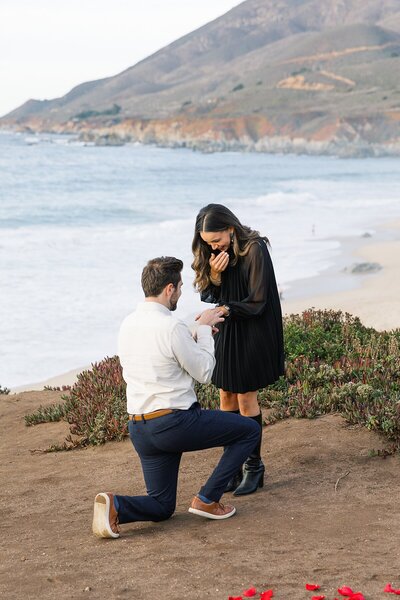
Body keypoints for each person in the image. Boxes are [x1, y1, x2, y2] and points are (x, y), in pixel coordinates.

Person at [92, 256, 260, 539]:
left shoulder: (128, 324)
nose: (181, 293)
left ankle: (115, 503)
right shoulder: (171, 328)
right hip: (174, 424)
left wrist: (194, 329)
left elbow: (163, 346)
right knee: (249, 431)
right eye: (180, 287)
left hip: (140, 428)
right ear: (169, 289)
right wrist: (205, 331)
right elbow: (205, 371)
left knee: (162, 506)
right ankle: (208, 498)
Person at [192, 204, 285, 496]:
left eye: (216, 240)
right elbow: (209, 294)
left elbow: (258, 301)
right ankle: (231, 467)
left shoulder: (255, 249)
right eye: (207, 243)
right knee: (225, 394)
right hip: (228, 326)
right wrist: (216, 277)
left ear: (231, 229)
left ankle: (254, 467)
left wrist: (226, 308)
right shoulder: (212, 253)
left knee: (246, 398)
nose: (213, 247)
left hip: (253, 329)